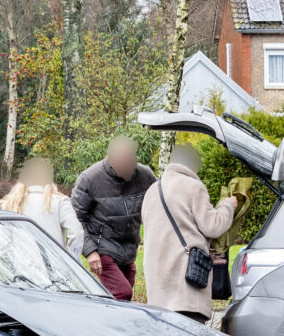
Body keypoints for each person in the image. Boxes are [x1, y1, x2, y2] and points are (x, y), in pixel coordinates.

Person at [141, 143, 239, 323]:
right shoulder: (194, 187)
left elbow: (165, 233)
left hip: (158, 288)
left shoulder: (152, 190)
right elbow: (213, 226)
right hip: (184, 287)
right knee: (189, 335)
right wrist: (227, 205)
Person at [70, 136, 156, 301]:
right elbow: (76, 219)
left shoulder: (145, 175)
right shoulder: (90, 179)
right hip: (103, 247)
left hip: (129, 249)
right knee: (122, 293)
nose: (127, 168)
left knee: (121, 300)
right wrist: (90, 251)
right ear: (110, 160)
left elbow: (161, 200)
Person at [0, 156, 82, 256]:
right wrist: (73, 257)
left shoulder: (11, 203)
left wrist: (11, 261)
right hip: (55, 262)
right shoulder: (59, 202)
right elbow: (77, 233)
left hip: (21, 264)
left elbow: (3, 244)